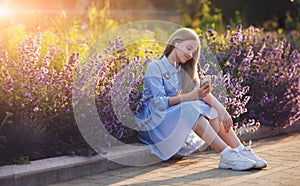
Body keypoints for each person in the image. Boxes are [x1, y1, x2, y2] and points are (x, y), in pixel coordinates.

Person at [135, 27, 267, 171]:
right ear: (176, 43)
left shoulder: (183, 70)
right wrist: (191, 96)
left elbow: (203, 94)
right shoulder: (155, 67)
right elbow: (158, 104)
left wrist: (221, 109)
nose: (191, 55)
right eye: (189, 48)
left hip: (170, 118)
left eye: (194, 52)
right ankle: (226, 154)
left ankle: (240, 149)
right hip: (152, 122)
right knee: (191, 107)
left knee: (210, 109)